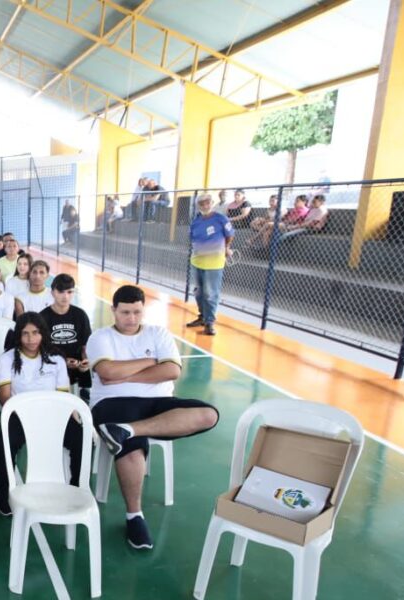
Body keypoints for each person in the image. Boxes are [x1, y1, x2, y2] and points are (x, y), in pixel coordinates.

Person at [89, 285, 219, 550]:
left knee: (208, 414)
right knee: (132, 452)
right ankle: (134, 515)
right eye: (125, 312)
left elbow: (171, 370)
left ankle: (128, 430)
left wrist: (126, 373)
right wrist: (150, 362)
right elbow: (107, 372)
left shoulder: (158, 333)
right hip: (113, 403)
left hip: (158, 402)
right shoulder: (100, 337)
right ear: (113, 310)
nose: (132, 318)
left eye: (137, 312)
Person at [0, 312, 80, 514]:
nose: (31, 339)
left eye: (35, 333)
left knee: (81, 438)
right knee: (2, 444)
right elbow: (5, 399)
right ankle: (5, 490)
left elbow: (63, 396)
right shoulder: (7, 360)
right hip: (19, 416)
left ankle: (77, 487)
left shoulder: (56, 359)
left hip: (53, 416)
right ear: (18, 336)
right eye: (25, 334)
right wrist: (29, 415)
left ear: (43, 334)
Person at [187, 193, 235, 336]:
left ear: (212, 203)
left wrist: (226, 248)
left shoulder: (221, 219)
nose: (204, 206)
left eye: (207, 203)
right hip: (197, 261)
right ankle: (202, 316)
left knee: (210, 294)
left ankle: (209, 322)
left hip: (214, 263)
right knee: (199, 292)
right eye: (201, 204)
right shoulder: (195, 222)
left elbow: (230, 235)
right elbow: (192, 238)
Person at [39, 274, 93, 392]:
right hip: (51, 365)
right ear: (52, 292)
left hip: (76, 366)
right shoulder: (42, 317)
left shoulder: (80, 315)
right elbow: (40, 349)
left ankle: (83, 393)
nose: (65, 296)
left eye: (69, 292)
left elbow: (85, 346)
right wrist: (61, 362)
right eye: (61, 291)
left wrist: (85, 362)